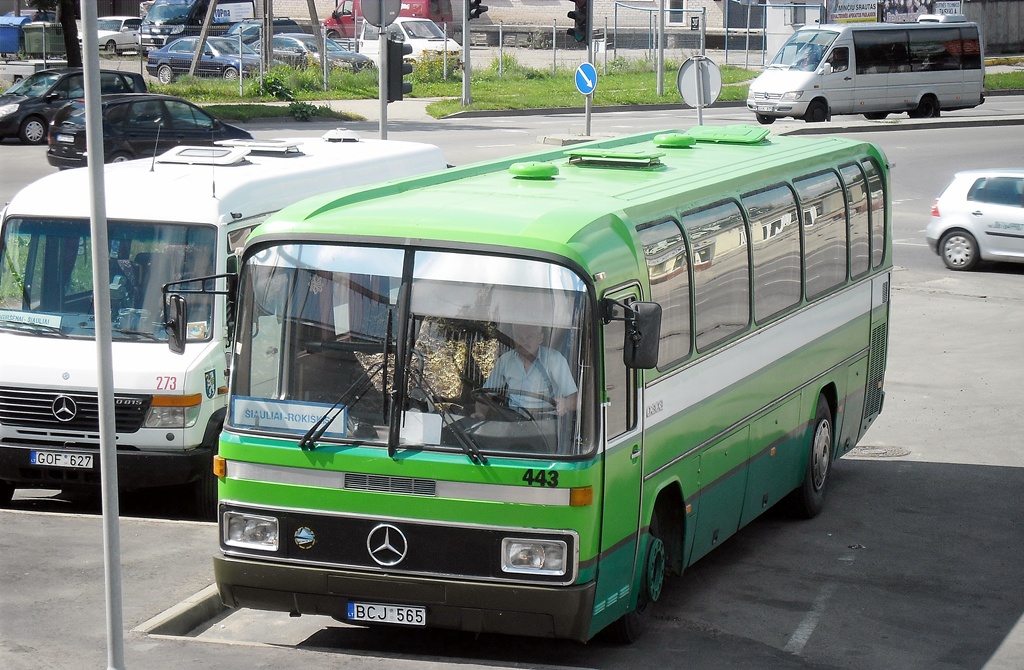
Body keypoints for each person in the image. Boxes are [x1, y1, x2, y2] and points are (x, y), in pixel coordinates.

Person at [473, 323, 578, 419]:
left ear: (540, 338)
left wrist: (566, 403)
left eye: (529, 337)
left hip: (546, 422)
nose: (523, 342)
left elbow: (576, 399)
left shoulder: (555, 360)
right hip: (513, 420)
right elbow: (485, 395)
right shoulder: (505, 361)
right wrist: (480, 413)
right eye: (519, 337)